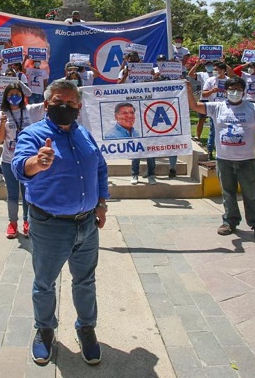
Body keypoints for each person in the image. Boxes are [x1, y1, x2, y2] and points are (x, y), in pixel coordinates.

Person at [11, 79, 108, 366]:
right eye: (57, 102)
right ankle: (44, 330)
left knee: (86, 280)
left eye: (70, 102)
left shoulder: (85, 136)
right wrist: (37, 163)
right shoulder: (34, 134)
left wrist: (101, 204)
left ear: (78, 106)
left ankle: (86, 328)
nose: (64, 106)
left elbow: (100, 169)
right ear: (47, 104)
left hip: (87, 224)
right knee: (45, 283)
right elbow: (19, 167)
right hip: (50, 225)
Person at [190, 76, 255, 244]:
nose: (234, 92)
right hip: (224, 160)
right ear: (226, 91)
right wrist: (187, 87)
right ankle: (230, 221)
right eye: (231, 89)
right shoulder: (217, 107)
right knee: (228, 193)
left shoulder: (254, 108)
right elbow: (194, 106)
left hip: (246, 160)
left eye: (238, 89)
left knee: (251, 194)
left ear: (243, 91)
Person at [0, 83, 39, 238]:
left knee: (27, 193)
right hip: (8, 161)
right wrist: (1, 124)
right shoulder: (1, 114)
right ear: (6, 96)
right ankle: (13, 223)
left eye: (17, 93)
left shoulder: (29, 111)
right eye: (11, 94)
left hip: (28, 161)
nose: (14, 96)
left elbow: (46, 101)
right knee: (12, 194)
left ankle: (28, 222)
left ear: (22, 95)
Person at [117, 52, 157, 184]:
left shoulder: (146, 69)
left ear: (139, 59)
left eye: (135, 59)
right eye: (130, 59)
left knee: (149, 144)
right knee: (136, 144)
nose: (133, 61)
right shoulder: (124, 70)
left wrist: (151, 73)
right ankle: (135, 174)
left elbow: (155, 83)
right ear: (127, 60)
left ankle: (151, 174)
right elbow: (118, 86)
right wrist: (127, 74)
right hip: (133, 111)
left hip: (147, 109)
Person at [201, 61, 231, 160]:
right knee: (213, 130)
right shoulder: (210, 80)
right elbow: (204, 94)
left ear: (223, 71)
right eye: (214, 69)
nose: (214, 71)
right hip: (214, 108)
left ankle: (225, 150)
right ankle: (210, 150)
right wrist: (212, 91)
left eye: (216, 70)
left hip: (228, 108)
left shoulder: (229, 80)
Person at [188, 59, 215, 143]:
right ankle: (198, 136)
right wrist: (196, 65)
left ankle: (214, 137)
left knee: (214, 120)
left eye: (211, 65)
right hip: (204, 99)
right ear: (205, 67)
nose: (209, 67)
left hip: (214, 99)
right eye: (207, 65)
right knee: (201, 119)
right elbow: (190, 74)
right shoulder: (202, 74)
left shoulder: (217, 74)